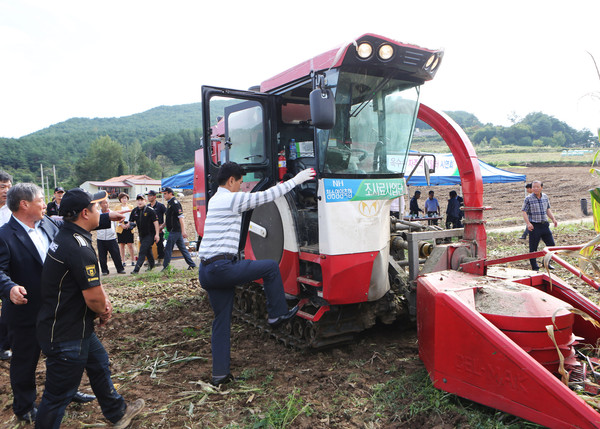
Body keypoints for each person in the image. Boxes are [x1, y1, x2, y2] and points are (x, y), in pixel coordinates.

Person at [0, 183, 120, 423]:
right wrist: (9, 287)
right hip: (27, 309)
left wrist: (107, 216)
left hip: (60, 310)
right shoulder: (4, 236)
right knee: (26, 360)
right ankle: (24, 407)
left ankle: (72, 392)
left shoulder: (50, 223)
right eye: (39, 201)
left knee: (66, 361)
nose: (45, 204)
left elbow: (76, 221)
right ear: (24, 204)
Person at [36, 188, 144, 428]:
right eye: (97, 208)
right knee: (57, 396)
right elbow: (93, 298)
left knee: (98, 362)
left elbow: (88, 286)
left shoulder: (66, 233)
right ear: (85, 213)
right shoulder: (79, 248)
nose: (101, 210)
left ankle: (118, 413)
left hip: (72, 324)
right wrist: (103, 309)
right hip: (65, 333)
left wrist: (109, 217)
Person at [198, 162, 315, 386]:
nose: (241, 188)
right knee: (270, 267)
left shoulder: (215, 200)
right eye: (240, 183)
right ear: (231, 180)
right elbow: (267, 196)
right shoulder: (231, 200)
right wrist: (297, 180)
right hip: (221, 268)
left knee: (221, 322)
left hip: (207, 270)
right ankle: (277, 314)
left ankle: (220, 375)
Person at [521, 180, 558, 271]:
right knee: (533, 248)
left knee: (551, 245)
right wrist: (528, 223)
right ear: (532, 188)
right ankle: (535, 267)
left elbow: (548, 209)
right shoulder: (528, 199)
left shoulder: (545, 197)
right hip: (534, 226)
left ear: (541, 187)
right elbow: (524, 211)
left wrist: (553, 219)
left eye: (537, 187)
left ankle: (546, 263)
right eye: (534, 187)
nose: (535, 189)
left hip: (544, 225)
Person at [162, 187, 196, 271]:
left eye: (165, 194)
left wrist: (183, 230)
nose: (164, 195)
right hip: (173, 230)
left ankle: (166, 267)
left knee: (168, 248)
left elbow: (181, 217)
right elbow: (169, 218)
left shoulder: (175, 203)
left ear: (170, 193)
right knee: (182, 249)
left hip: (175, 230)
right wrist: (162, 226)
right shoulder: (169, 203)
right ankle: (192, 264)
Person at [0, 170, 13, 361]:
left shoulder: (13, 210)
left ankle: (4, 345)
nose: (6, 191)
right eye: (2, 187)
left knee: (10, 306)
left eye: (9, 187)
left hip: (8, 266)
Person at [129, 193, 159, 274]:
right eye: (138, 200)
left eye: (141, 200)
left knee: (142, 251)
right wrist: (130, 225)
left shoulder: (150, 210)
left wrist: (157, 234)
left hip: (150, 234)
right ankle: (152, 265)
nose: (140, 202)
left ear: (145, 201)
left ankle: (136, 270)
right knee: (147, 251)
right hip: (141, 235)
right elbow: (130, 222)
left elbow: (156, 222)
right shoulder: (135, 211)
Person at [96, 198, 126, 275]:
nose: (105, 204)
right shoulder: (97, 214)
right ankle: (104, 271)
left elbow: (116, 224)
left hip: (111, 238)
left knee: (116, 254)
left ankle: (120, 269)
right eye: (103, 203)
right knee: (102, 256)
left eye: (107, 203)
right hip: (101, 238)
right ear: (100, 205)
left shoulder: (113, 213)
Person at [115, 193, 135, 267]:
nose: (124, 199)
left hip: (129, 226)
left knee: (130, 244)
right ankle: (123, 260)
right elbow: (115, 217)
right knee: (122, 245)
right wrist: (121, 224)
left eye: (125, 198)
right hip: (121, 227)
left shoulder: (131, 207)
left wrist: (129, 224)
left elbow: (133, 217)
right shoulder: (117, 207)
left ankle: (133, 260)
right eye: (122, 198)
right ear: (120, 199)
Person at [147, 189, 166, 263]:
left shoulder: (160, 206)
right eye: (148, 196)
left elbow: (167, 214)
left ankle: (161, 259)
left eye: (150, 196)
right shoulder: (147, 207)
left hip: (159, 228)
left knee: (160, 244)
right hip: (150, 228)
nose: (149, 197)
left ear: (154, 197)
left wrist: (163, 225)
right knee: (148, 244)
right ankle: (150, 259)